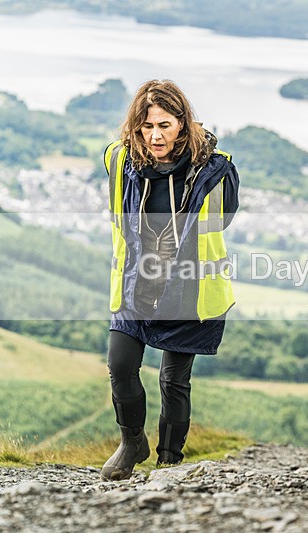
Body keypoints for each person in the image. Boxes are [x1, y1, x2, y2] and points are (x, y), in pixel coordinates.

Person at [100, 79, 239, 480]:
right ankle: (131, 442)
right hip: (135, 285)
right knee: (120, 365)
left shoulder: (217, 170)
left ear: (183, 122)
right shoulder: (119, 162)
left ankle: (169, 460)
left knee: (174, 380)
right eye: (146, 126)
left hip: (189, 291)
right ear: (135, 127)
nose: (155, 135)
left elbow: (224, 218)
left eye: (165, 124)